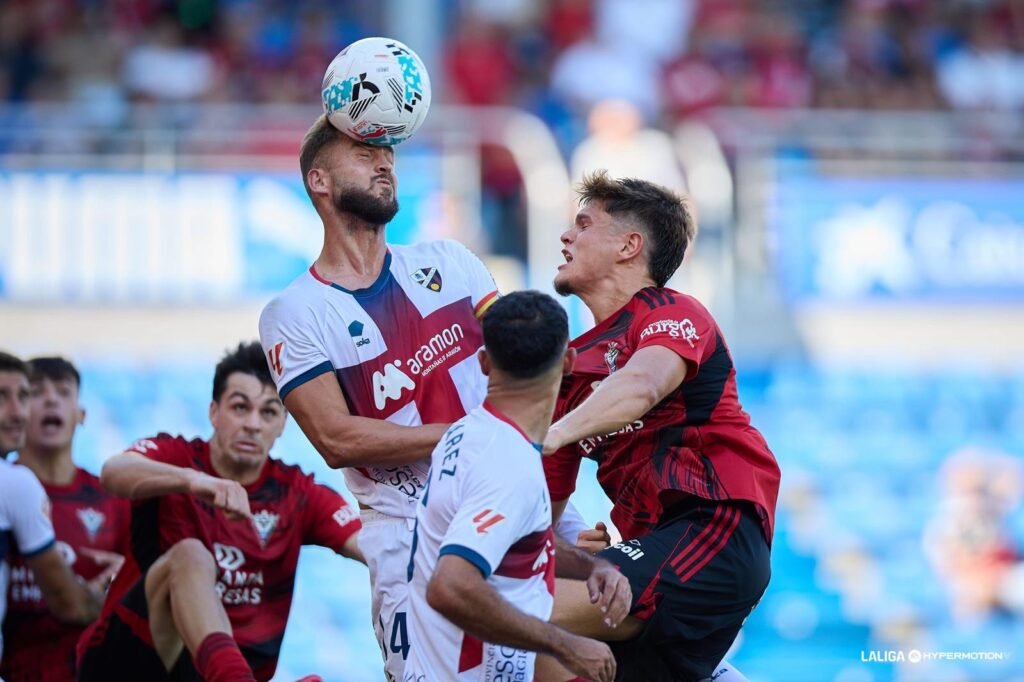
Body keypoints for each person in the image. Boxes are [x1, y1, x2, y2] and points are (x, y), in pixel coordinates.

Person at [259, 113, 607, 680]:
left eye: (389, 153)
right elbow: (336, 438)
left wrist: (564, 523)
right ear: (319, 181)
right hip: (407, 536)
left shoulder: (450, 262)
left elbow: (527, 360)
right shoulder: (294, 313)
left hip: (510, 498)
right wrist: (472, 435)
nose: (385, 162)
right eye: (365, 152)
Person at [540, 172, 781, 681]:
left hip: (715, 528)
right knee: (542, 656)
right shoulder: (569, 368)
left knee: (514, 612)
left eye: (583, 225)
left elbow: (642, 387)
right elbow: (543, 514)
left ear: (630, 246)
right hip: (650, 547)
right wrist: (569, 554)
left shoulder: (674, 312)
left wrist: (553, 432)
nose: (565, 236)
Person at [76, 342, 362, 682]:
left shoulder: (298, 494)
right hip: (125, 666)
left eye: (269, 412)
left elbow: (373, 546)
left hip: (205, 674)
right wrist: (195, 482)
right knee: (191, 555)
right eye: (240, 407)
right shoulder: (178, 458)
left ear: (284, 423)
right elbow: (113, 472)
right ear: (214, 412)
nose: (253, 424)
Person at [405, 291, 628, 682]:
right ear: (569, 361)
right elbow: (450, 585)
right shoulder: (510, 466)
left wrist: (589, 566)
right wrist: (566, 644)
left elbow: (513, 537)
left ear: (484, 363)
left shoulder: (466, 433)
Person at [1, 357, 130, 682]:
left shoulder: (111, 500)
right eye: (37, 392)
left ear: (81, 414)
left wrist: (130, 583)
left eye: (62, 392)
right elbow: (71, 604)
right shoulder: (9, 487)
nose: (51, 400)